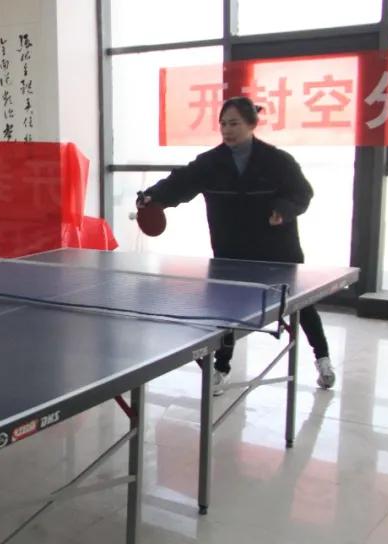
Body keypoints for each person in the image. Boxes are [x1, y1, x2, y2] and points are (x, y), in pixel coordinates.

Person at [137, 96, 335, 393]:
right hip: (231, 252)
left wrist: (284, 209)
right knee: (227, 312)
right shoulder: (210, 163)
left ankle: (323, 360)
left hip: (278, 252)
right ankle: (221, 368)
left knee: (302, 305)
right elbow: (179, 183)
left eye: (234, 124)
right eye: (223, 124)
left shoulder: (278, 161)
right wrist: (153, 197)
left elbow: (302, 193)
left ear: (252, 124)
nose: (227, 130)